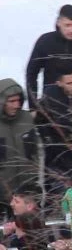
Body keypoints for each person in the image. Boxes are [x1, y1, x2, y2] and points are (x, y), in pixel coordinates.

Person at [0, 79, 39, 211]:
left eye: (18, 100)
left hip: (28, 189)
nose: (17, 105)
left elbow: (36, 150)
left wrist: (35, 175)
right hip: (2, 192)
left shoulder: (26, 118)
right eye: (11, 101)